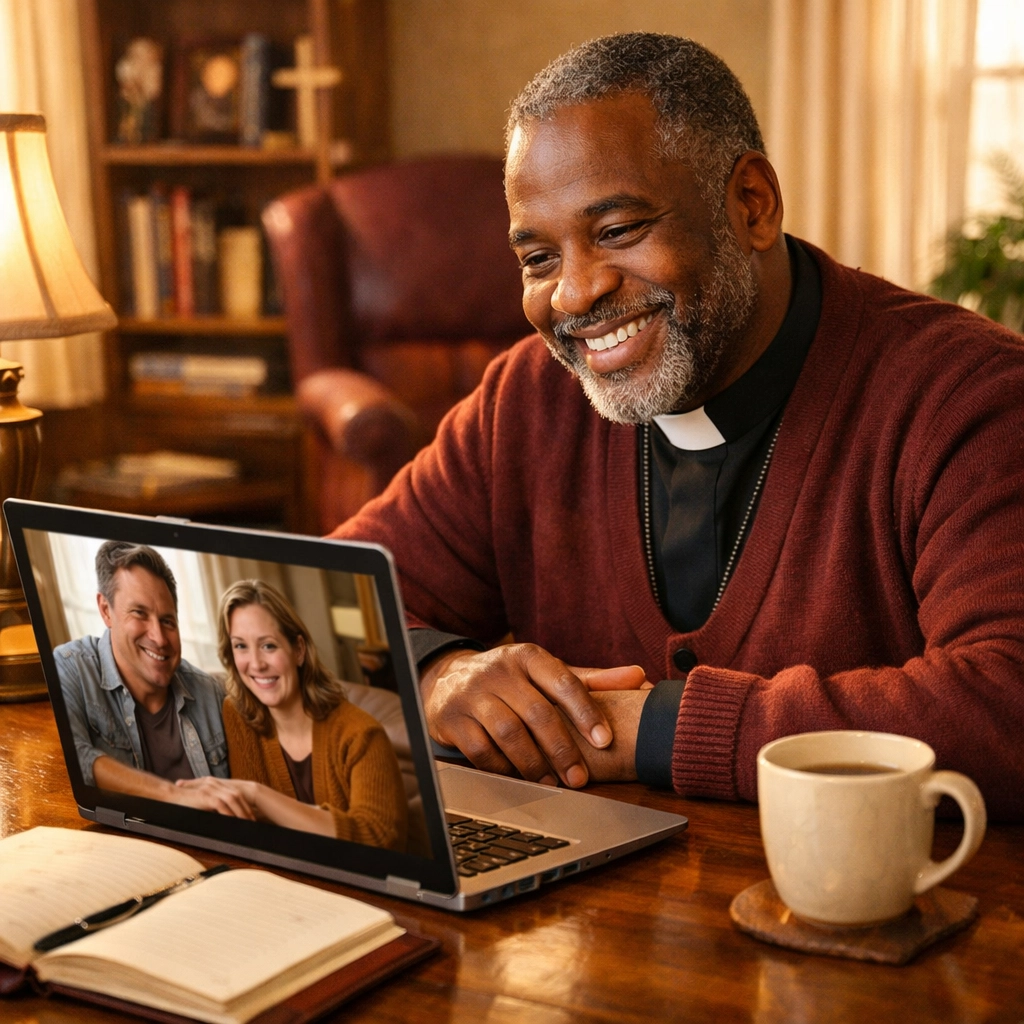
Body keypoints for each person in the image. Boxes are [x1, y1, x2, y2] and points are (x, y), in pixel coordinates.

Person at [331, 32, 1024, 822]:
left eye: (619, 230)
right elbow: (320, 604)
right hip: (589, 925)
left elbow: (1007, 700)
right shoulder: (527, 402)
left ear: (751, 204)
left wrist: (657, 727)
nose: (573, 295)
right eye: (538, 258)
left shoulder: (968, 394)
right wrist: (435, 671)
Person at [181, 579, 408, 849]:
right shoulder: (237, 716)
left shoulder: (361, 734)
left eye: (268, 646)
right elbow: (253, 829)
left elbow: (378, 840)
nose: (256, 664)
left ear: (298, 650)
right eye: (240, 646)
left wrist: (258, 795)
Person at [55, 541, 251, 818]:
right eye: (140, 613)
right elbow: (75, 758)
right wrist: (176, 795)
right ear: (106, 609)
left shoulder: (211, 694)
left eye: (168, 621)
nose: (159, 638)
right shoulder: (70, 668)